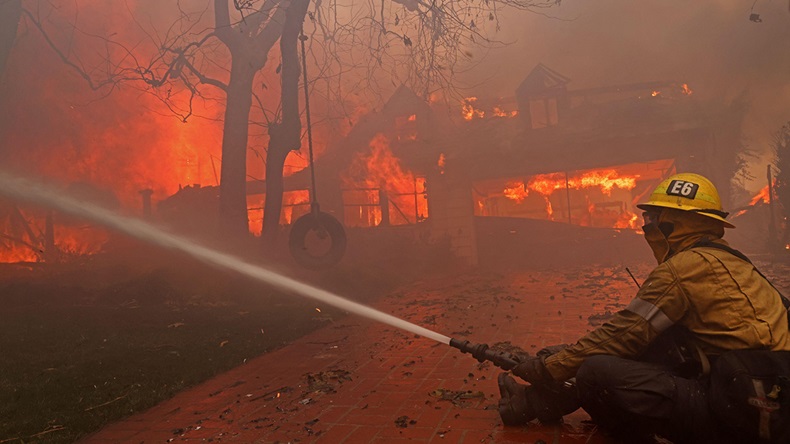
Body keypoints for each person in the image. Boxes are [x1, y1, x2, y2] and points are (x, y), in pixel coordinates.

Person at [497, 173, 790, 443]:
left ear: (674, 221)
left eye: (653, 216)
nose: (646, 223)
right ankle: (528, 402)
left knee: (596, 371)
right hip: (761, 395)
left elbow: (620, 336)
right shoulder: (732, 260)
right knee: (647, 347)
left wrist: (548, 368)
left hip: (739, 409)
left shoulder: (682, 270)